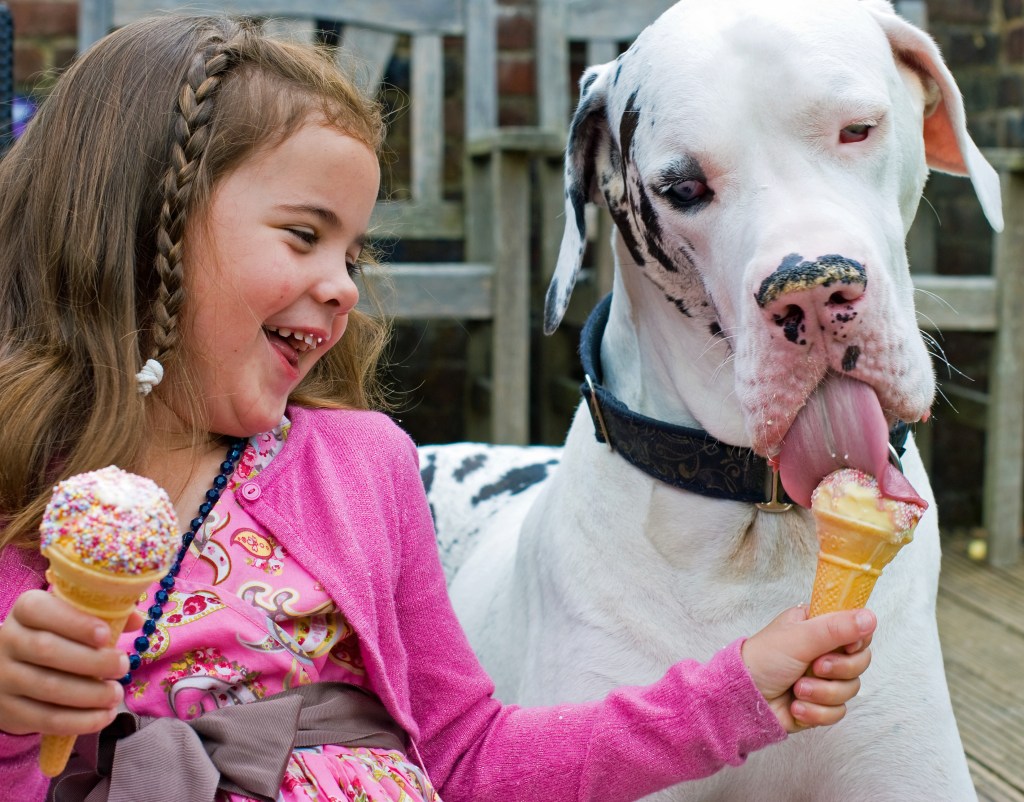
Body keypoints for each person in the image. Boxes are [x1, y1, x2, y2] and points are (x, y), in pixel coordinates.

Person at [0, 14, 878, 802]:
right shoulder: (20, 494)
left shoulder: (358, 465)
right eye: (305, 235)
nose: (343, 288)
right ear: (150, 226)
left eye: (353, 252)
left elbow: (469, 754)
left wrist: (734, 694)